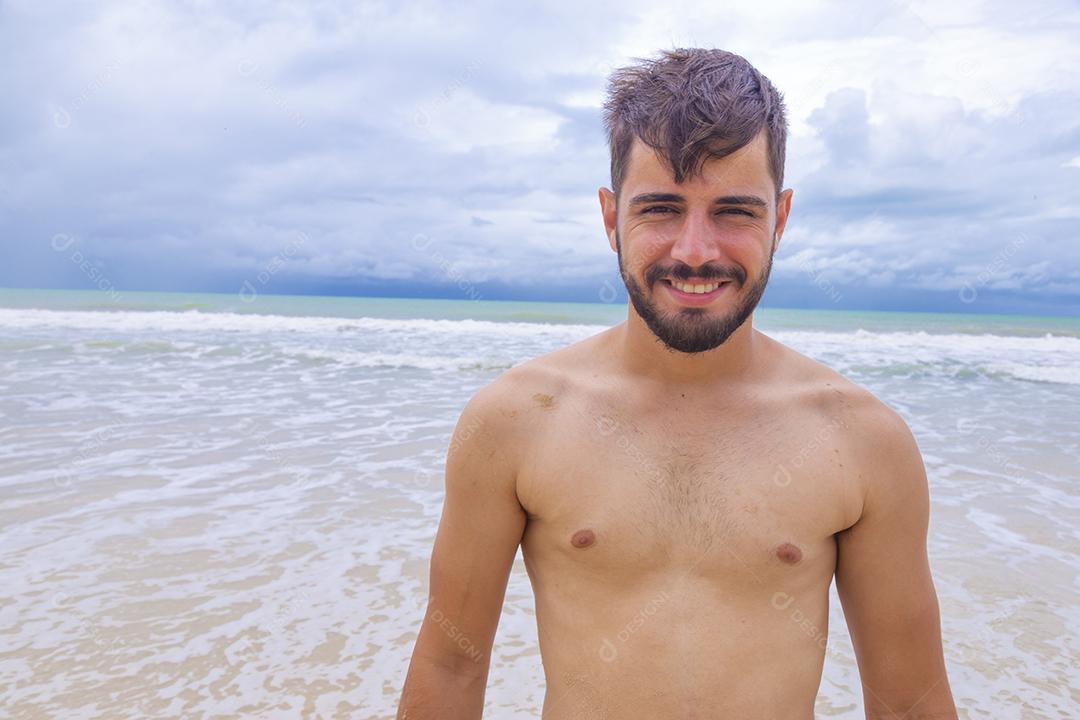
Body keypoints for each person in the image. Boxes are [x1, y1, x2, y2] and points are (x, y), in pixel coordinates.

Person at [397, 47, 957, 719]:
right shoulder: (518, 419)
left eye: (734, 212)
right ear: (611, 218)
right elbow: (451, 666)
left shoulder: (862, 440)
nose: (695, 250)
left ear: (779, 220)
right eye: (661, 209)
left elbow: (909, 701)